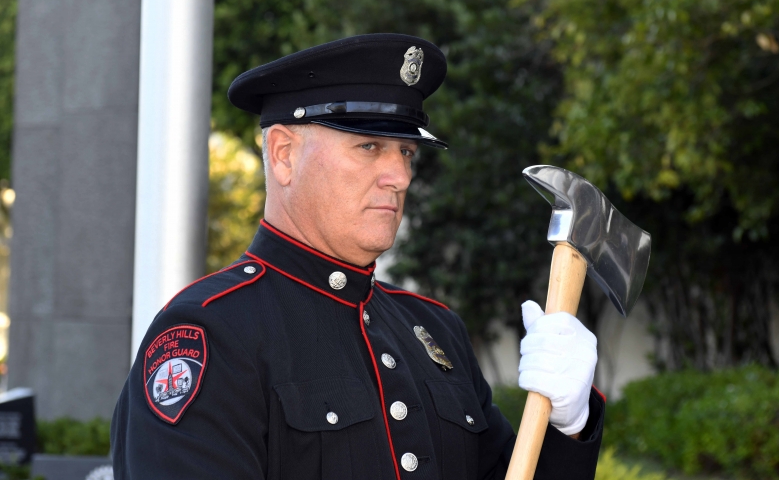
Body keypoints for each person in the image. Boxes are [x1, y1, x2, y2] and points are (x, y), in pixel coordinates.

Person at [111, 33, 604, 479]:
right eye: (369, 146)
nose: (401, 177)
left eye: (406, 153)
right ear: (283, 155)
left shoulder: (436, 330)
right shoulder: (212, 333)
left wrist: (568, 425)